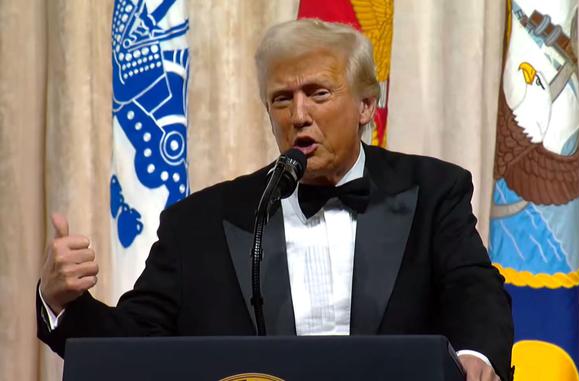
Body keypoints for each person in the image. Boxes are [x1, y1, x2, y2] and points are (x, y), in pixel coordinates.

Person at [38, 19, 513, 381]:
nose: (299, 114)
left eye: (318, 93)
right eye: (282, 100)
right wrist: (62, 302)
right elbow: (134, 347)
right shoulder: (199, 223)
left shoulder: (433, 191)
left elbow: (473, 288)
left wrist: (473, 356)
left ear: (367, 106)